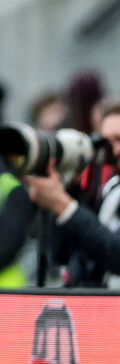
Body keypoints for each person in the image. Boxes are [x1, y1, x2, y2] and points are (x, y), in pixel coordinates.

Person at [23, 100, 120, 284]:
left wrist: (64, 206)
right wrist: (70, 187)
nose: (113, 150)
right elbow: (62, 254)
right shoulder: (111, 186)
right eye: (107, 141)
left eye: (119, 139)